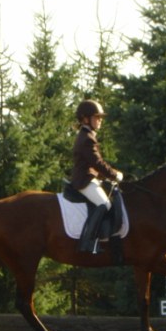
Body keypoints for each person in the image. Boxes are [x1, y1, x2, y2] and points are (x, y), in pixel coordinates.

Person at [70, 99, 123, 253]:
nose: (100, 120)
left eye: (100, 117)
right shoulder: (87, 138)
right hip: (84, 180)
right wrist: (114, 175)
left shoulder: (87, 135)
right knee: (104, 204)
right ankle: (88, 242)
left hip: (89, 177)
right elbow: (97, 162)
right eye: (97, 117)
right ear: (85, 119)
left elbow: (94, 164)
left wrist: (106, 177)